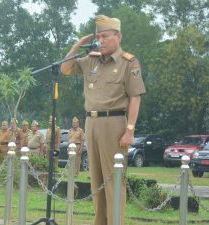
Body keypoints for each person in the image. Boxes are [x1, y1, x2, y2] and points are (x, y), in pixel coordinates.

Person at [60, 15, 146, 225]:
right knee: (96, 180)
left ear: (119, 36)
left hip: (114, 123)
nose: (101, 40)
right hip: (91, 122)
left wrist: (130, 130)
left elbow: (135, 97)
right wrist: (78, 45)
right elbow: (65, 69)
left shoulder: (128, 62)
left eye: (105, 36)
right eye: (99, 36)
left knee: (114, 180)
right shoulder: (91, 59)